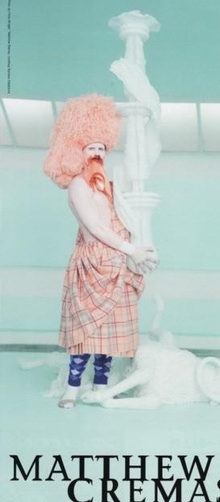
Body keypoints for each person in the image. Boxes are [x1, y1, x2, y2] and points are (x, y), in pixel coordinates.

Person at [43, 94, 158, 408]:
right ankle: (72, 389)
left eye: (102, 148)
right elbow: (95, 226)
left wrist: (137, 246)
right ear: (78, 151)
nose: (97, 153)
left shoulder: (108, 185)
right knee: (85, 332)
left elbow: (125, 217)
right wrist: (131, 249)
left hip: (117, 264)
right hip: (92, 263)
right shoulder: (78, 185)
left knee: (108, 337)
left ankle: (101, 386)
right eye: (91, 147)